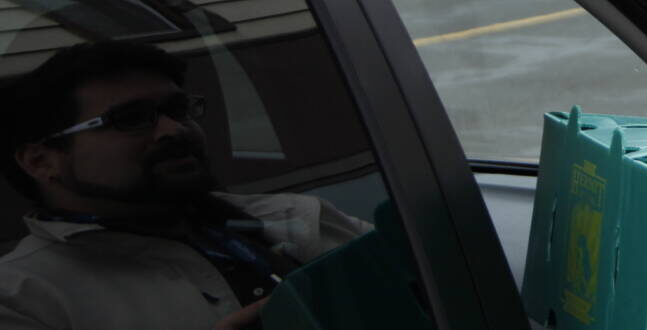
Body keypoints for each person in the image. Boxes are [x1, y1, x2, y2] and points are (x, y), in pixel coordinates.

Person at [0, 41, 370, 330]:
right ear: (40, 161)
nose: (174, 129)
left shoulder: (293, 215)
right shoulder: (22, 298)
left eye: (177, 110)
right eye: (132, 119)